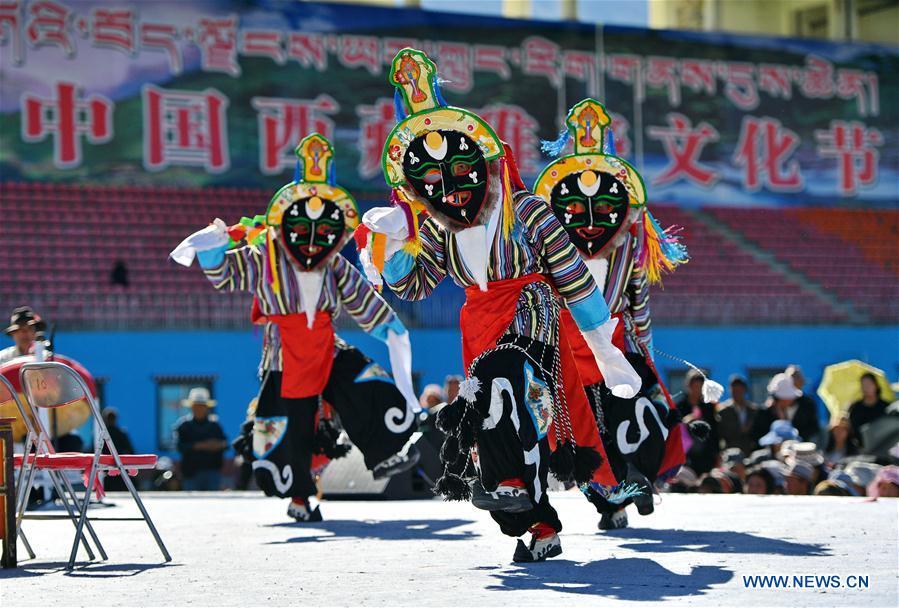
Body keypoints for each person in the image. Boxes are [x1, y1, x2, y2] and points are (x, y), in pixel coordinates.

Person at [358, 49, 641, 562]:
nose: (451, 189)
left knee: (502, 385)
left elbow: (573, 277)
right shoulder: (441, 231)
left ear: (488, 164)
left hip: (530, 318)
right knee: (491, 420)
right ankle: (536, 522)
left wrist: (606, 346)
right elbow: (418, 285)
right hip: (479, 326)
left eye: (462, 171)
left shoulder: (529, 211)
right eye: (433, 183)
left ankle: (584, 484)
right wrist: (398, 244)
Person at [172, 134, 420, 522]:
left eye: (324, 226)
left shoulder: (333, 262)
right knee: (295, 424)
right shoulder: (265, 255)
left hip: (326, 343)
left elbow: (359, 295)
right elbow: (226, 275)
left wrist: (387, 325)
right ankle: (301, 497)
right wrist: (214, 246)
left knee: (365, 382)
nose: (312, 234)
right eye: (303, 222)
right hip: (282, 355)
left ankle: (387, 449)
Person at [532, 97, 703, 531]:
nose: (590, 220)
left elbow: (636, 293)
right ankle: (616, 496)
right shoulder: (609, 241)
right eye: (574, 210)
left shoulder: (612, 242)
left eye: (603, 209)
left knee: (600, 428)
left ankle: (622, 493)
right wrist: (642, 341)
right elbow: (636, 296)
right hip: (578, 349)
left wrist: (641, 341)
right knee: (592, 429)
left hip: (596, 347)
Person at [174, 388, 228, 491]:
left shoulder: (214, 425)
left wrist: (217, 445)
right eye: (196, 406)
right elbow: (179, 446)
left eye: (202, 406)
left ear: (207, 407)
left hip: (212, 472)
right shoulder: (184, 426)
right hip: (191, 473)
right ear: (191, 407)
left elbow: (225, 444)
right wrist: (200, 446)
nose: (199, 408)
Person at [751, 372, 818, 445]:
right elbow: (758, 436)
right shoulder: (764, 413)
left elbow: (813, 427)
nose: (791, 399)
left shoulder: (805, 405)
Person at [675, 369, 720, 475]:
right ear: (688, 386)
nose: (697, 390)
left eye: (701, 387)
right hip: (686, 455)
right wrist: (686, 421)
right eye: (695, 386)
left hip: (706, 454)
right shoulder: (679, 405)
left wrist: (717, 453)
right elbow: (674, 427)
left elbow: (714, 431)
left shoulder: (709, 406)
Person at [717, 374, 758, 456]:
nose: (737, 394)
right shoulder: (723, 410)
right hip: (730, 452)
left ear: (744, 390)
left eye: (739, 390)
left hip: (750, 452)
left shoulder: (753, 410)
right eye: (734, 391)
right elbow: (721, 433)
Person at [847, 373, 890, 449]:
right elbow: (852, 430)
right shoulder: (855, 407)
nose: (866, 388)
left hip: (884, 446)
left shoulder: (886, 407)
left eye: (869, 384)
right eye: (863, 385)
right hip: (860, 449)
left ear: (876, 385)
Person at [102, 407, 136, 491]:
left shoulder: (101, 434)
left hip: (106, 468)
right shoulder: (121, 433)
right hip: (120, 467)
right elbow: (131, 451)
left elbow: (94, 450)